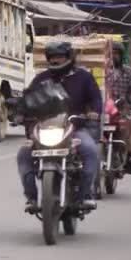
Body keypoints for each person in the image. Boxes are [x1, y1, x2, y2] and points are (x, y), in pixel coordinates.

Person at [17, 42, 101, 211]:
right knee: (24, 154)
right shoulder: (42, 79)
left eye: (60, 56)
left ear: (69, 57)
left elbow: (96, 100)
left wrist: (94, 112)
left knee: (90, 150)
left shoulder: (84, 77)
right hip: (46, 128)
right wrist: (20, 112)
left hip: (75, 128)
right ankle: (32, 198)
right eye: (52, 57)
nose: (56, 60)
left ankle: (85, 195)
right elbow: (29, 98)